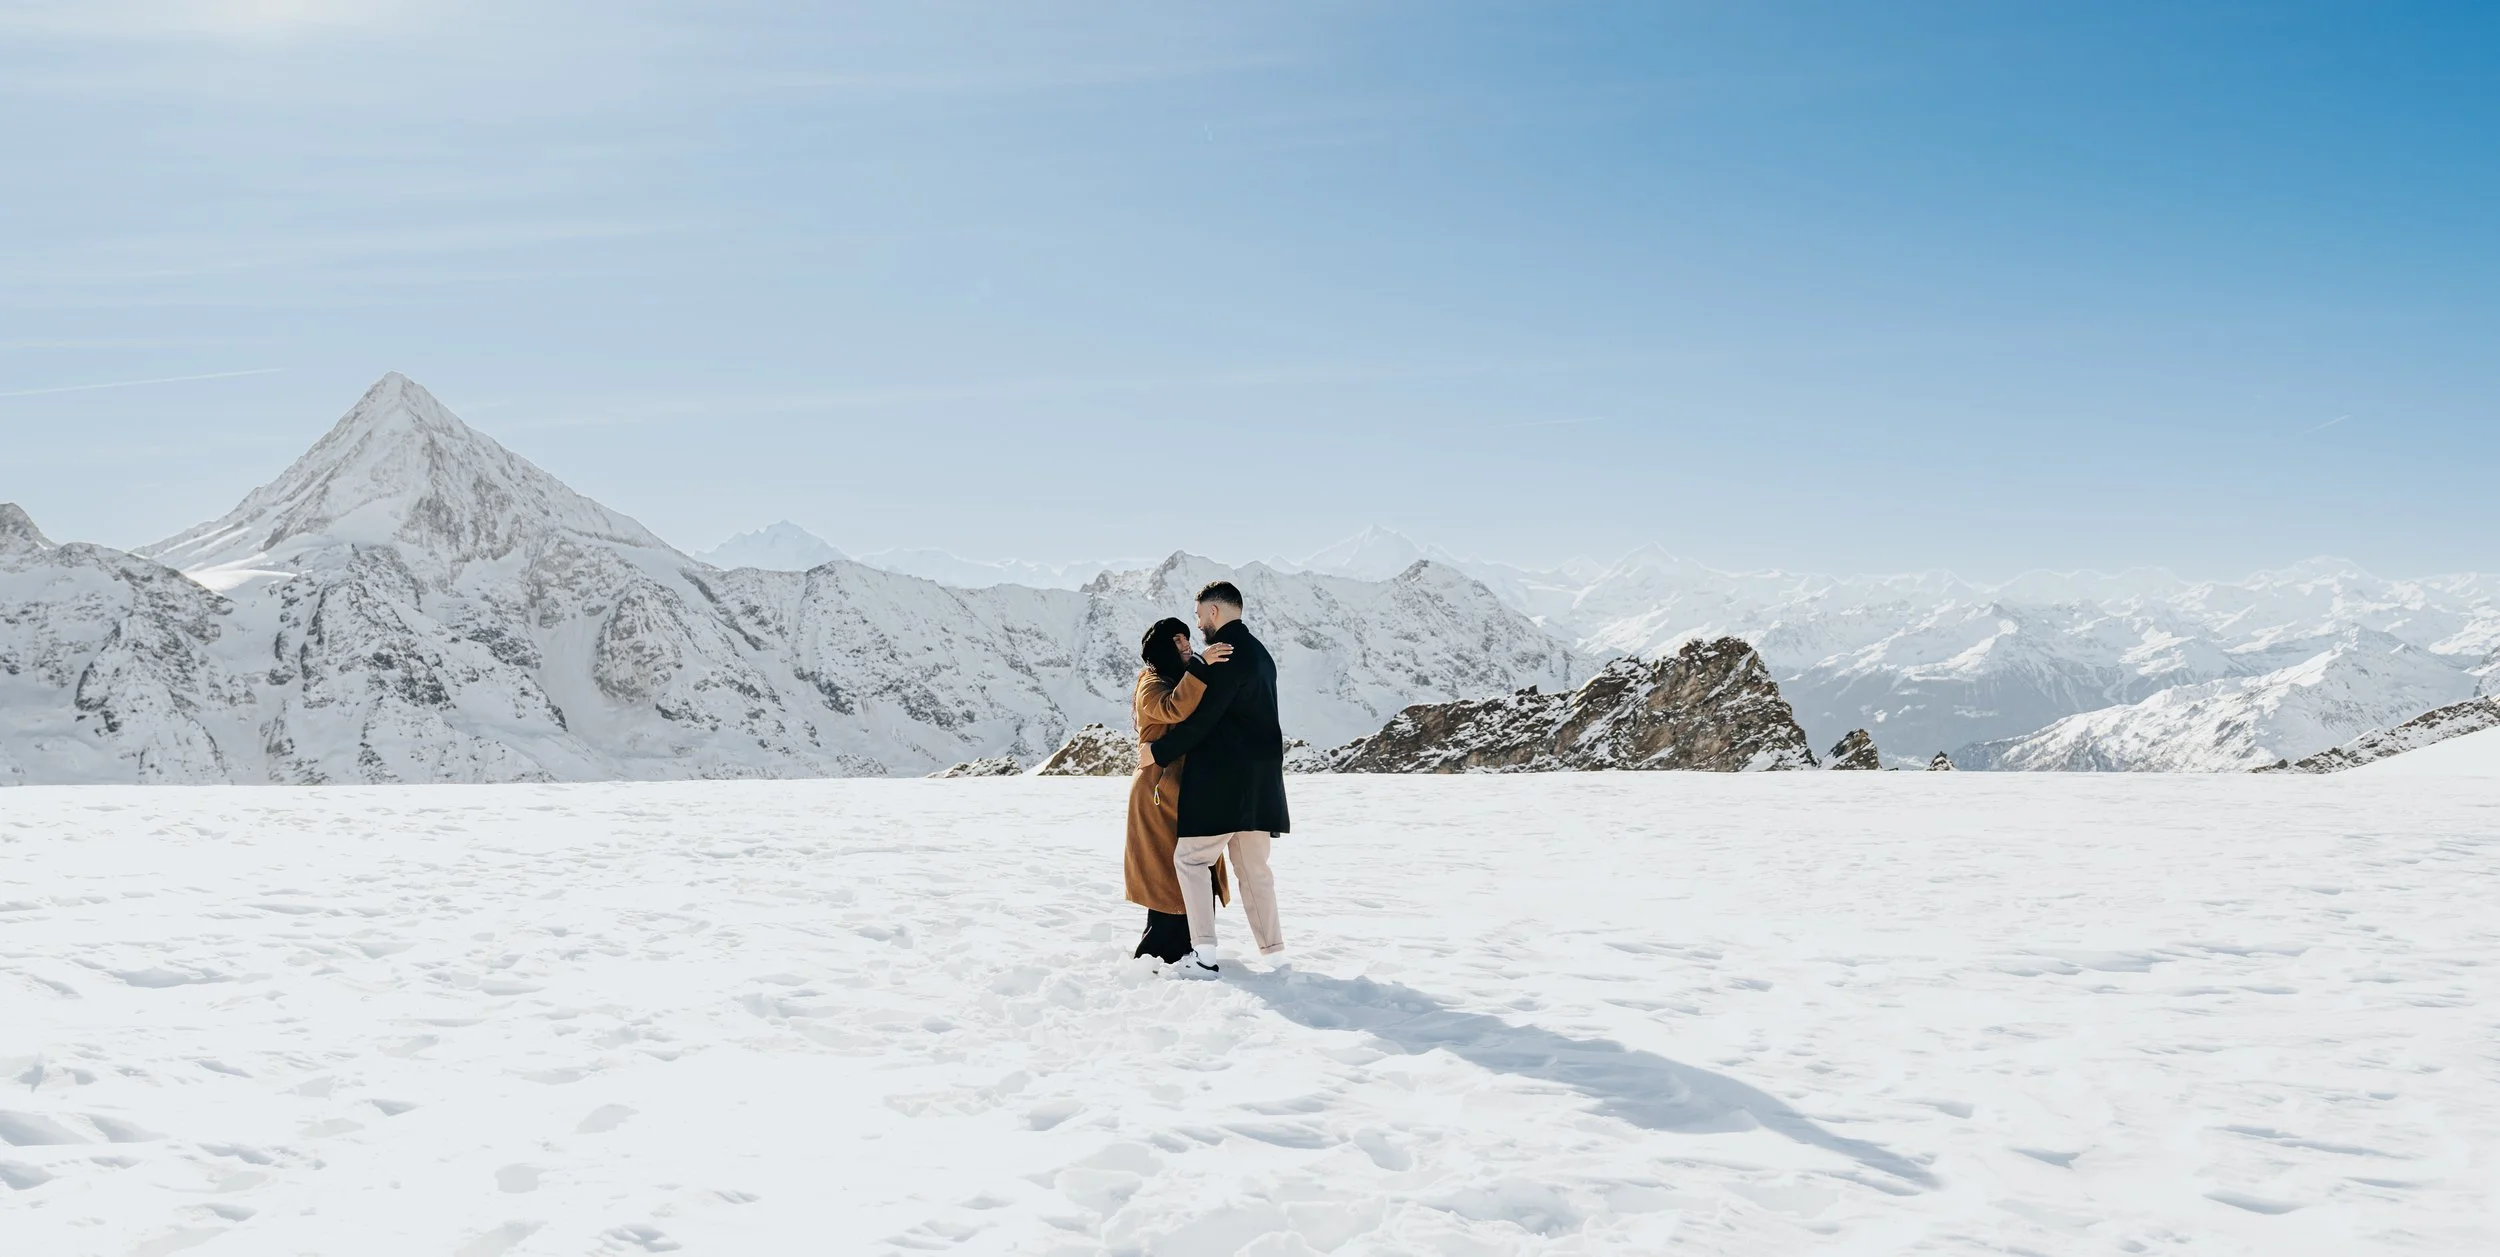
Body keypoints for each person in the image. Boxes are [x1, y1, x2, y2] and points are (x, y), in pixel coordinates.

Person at [1140, 580, 1290, 976]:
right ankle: (1276, 957)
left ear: (1213, 612)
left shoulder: (1223, 654)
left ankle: (1204, 956)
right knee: (1254, 871)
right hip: (1262, 784)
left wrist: (1157, 752)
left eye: (1199, 616)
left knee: (1190, 860)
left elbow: (1204, 720)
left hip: (1223, 783)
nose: (1198, 625)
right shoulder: (1261, 654)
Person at [1124, 617, 1235, 964]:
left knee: (1189, 866)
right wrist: (1201, 665)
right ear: (1162, 648)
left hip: (1183, 789)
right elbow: (1172, 708)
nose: (1186, 646)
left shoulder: (1180, 678)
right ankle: (1158, 956)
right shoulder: (1151, 683)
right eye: (1177, 641)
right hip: (1158, 792)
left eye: (1187, 639)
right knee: (1168, 873)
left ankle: (1189, 947)